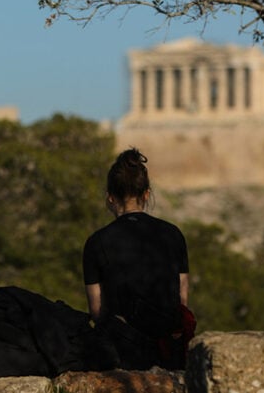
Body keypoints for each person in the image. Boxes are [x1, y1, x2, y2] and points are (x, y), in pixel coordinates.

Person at [83, 148, 190, 370]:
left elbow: (97, 310)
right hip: (168, 351)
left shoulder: (96, 242)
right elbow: (181, 299)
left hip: (122, 354)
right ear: (147, 194)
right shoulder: (173, 234)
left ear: (110, 198)